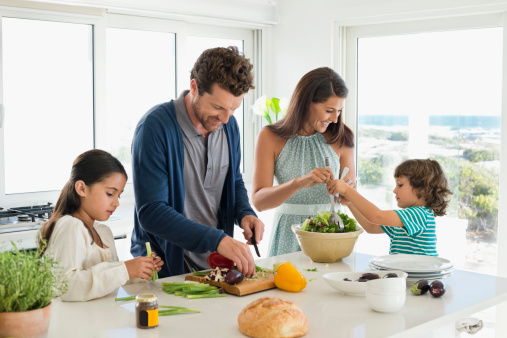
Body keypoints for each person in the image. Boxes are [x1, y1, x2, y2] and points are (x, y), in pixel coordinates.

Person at [130, 46, 264, 278]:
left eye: (234, 108)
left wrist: (244, 212)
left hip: (215, 268)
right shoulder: (154, 128)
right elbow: (151, 212)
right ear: (194, 87)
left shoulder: (229, 126)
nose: (225, 118)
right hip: (164, 270)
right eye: (218, 107)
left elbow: (233, 181)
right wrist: (218, 239)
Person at [252, 67, 356, 256]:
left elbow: (351, 196)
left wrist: (348, 195)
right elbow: (259, 202)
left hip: (331, 233)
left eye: (339, 111)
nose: (334, 119)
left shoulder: (342, 137)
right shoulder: (270, 136)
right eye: (329, 110)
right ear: (306, 102)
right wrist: (300, 183)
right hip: (287, 235)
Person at [40, 149, 163, 301]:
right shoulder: (70, 226)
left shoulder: (104, 232)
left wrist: (139, 271)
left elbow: (108, 283)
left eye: (119, 195)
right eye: (110, 193)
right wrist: (124, 270)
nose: (116, 202)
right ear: (81, 188)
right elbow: (65, 286)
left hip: (99, 319)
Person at [328, 158, 452, 256]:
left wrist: (348, 190)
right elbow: (371, 226)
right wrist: (350, 203)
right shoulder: (405, 219)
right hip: (408, 278)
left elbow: (375, 216)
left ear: (423, 189)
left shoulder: (419, 214)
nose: (394, 190)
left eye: (400, 185)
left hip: (422, 281)